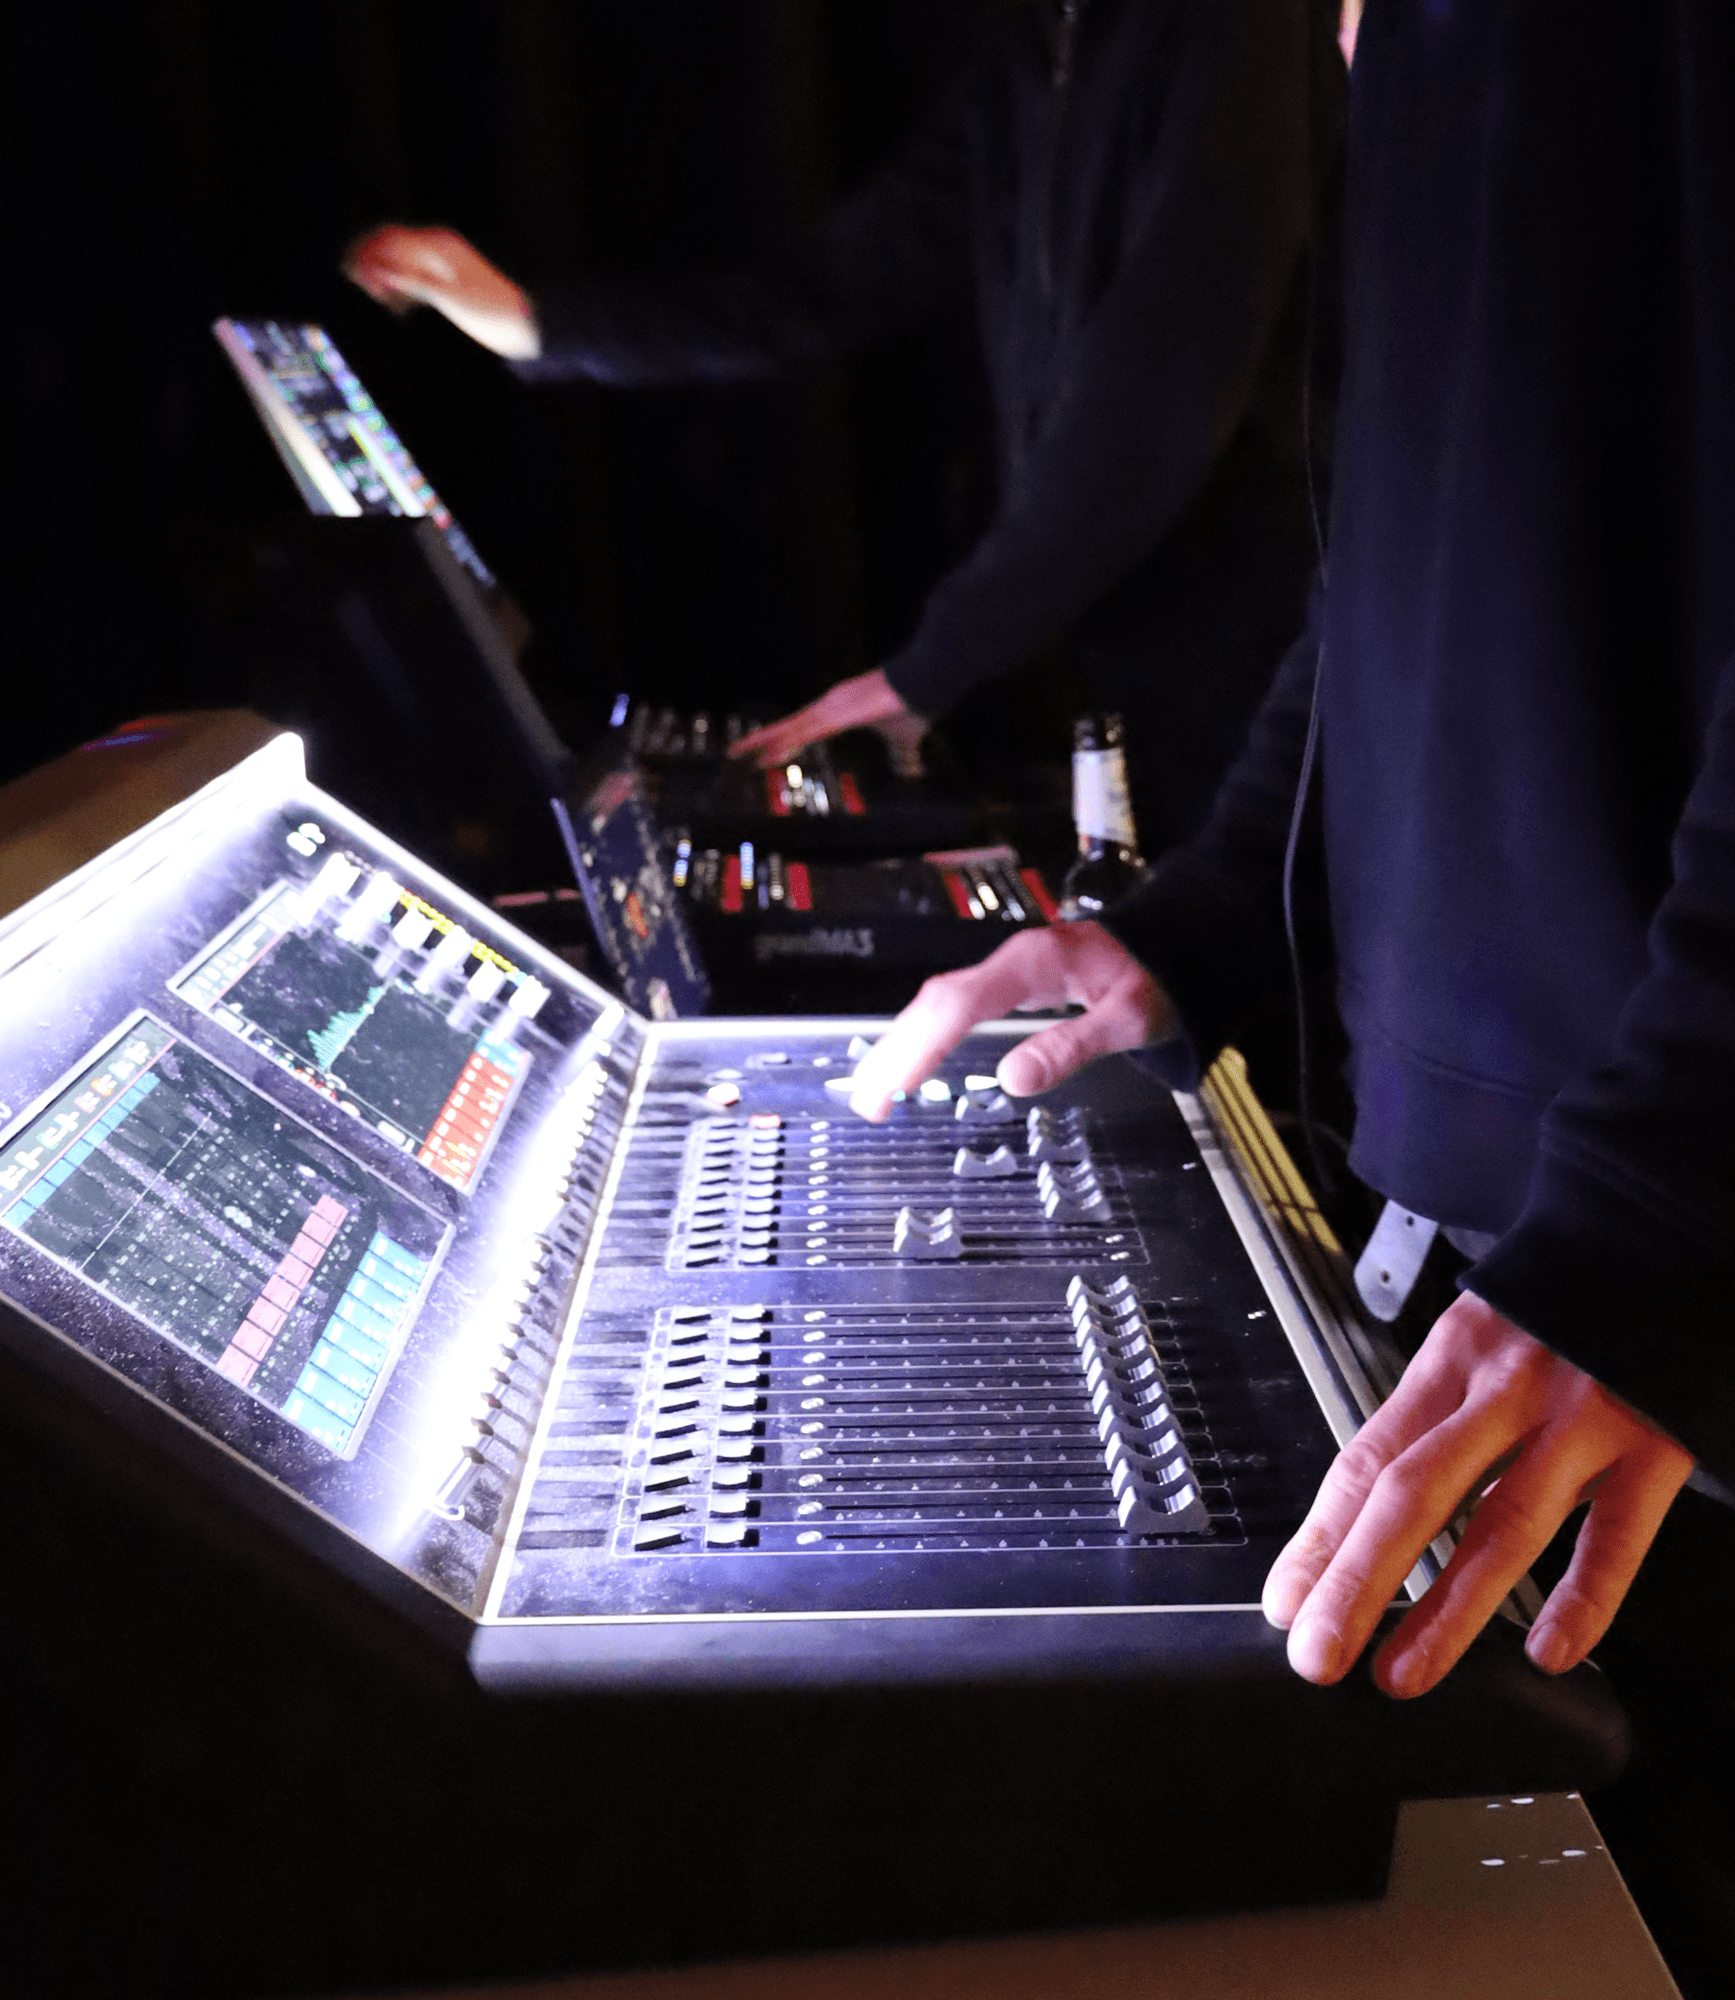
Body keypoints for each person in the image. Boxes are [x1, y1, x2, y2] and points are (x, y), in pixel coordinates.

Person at [844, 0, 1735, 1708]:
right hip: (1538, 1293)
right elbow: (1415, 535)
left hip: (1655, 1331)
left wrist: (1666, 1213)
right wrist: (1216, 911)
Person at [345, 0, 1345, 858]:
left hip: (1260, 645)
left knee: (1262, 1014)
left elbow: (1155, 394)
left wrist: (936, 661)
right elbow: (821, 291)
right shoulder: (1041, 42)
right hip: (1119, 643)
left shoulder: (1234, 25)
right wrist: (537, 322)